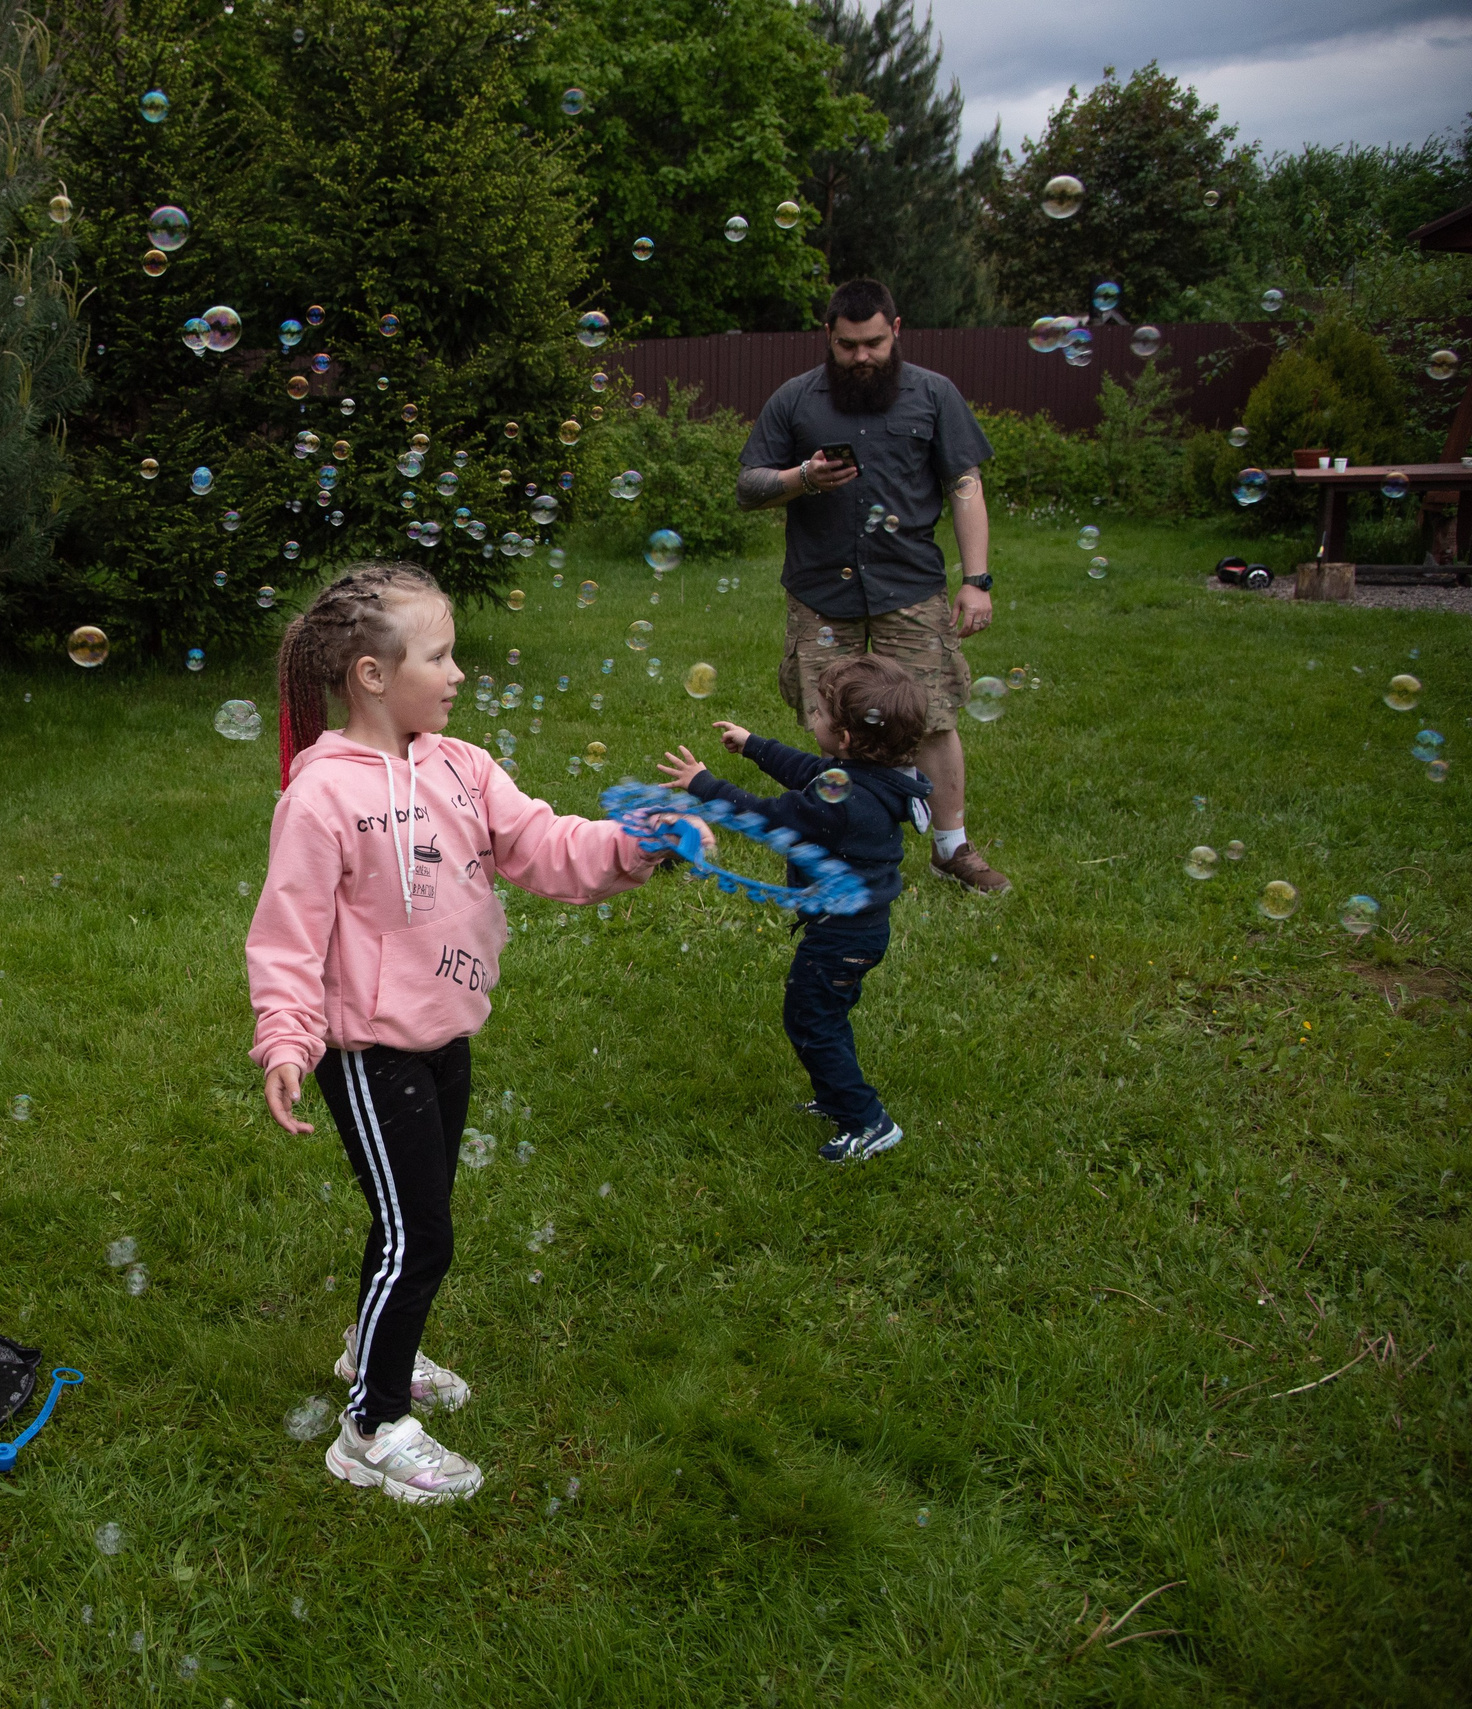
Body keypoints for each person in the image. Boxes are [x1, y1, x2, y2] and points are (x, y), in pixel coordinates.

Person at [246, 562, 710, 1505]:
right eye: (441, 654)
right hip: (370, 1052)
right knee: (420, 1238)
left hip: (445, 1034)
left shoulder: (461, 766)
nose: (459, 673)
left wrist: (632, 846)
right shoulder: (321, 798)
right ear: (372, 674)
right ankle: (371, 1427)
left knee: (413, 1222)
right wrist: (288, 1037)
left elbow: (541, 845)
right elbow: (288, 934)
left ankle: (370, 1350)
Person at [736, 276, 1009, 895]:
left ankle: (951, 848)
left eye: (875, 343)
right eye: (848, 345)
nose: (862, 356)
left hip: (908, 588)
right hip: (819, 594)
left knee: (933, 717)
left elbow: (965, 486)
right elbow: (747, 486)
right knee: (832, 720)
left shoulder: (934, 395)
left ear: (897, 330)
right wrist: (802, 477)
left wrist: (977, 580)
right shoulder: (795, 400)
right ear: (827, 337)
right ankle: (843, 841)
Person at [656, 655, 933, 1164]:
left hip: (840, 939)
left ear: (846, 739)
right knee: (826, 1017)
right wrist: (755, 746)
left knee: (810, 1020)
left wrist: (705, 786)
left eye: (821, 714)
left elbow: (768, 815)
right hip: (856, 930)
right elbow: (810, 771)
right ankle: (835, 1095)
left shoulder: (846, 803)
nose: (813, 719)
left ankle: (868, 1120)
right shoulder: (869, 778)